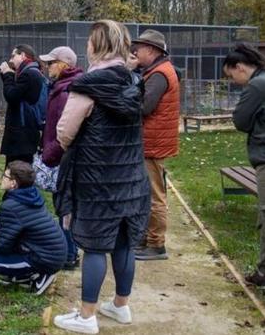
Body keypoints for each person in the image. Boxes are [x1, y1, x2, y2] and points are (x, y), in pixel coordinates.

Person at [53, 20, 150, 334]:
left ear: (96, 45)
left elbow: (65, 132)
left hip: (97, 177)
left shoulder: (88, 85)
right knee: (123, 242)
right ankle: (121, 306)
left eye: (90, 41)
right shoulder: (135, 81)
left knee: (95, 246)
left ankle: (86, 317)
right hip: (132, 177)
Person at [0, 160, 67, 295]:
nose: (2, 178)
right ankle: (23, 275)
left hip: (46, 260)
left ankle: (42, 274)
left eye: (5, 176)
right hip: (56, 252)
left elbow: (2, 247)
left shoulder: (10, 206)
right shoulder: (31, 196)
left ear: (13, 183)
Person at [130, 30, 180, 261]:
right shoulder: (155, 71)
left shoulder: (159, 74)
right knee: (146, 193)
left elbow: (144, 107)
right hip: (151, 140)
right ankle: (145, 238)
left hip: (153, 142)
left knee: (154, 195)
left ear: (151, 50)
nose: (134, 52)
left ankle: (156, 244)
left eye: (138, 48)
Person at [224, 43, 265, 288]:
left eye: (232, 76)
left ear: (240, 67)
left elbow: (240, 120)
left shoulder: (257, 85)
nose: (234, 81)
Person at [38, 46, 84, 270]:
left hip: (65, 157)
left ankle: (70, 253)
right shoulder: (59, 87)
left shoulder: (67, 91)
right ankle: (68, 251)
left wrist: (52, 151)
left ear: (64, 64)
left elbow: (68, 129)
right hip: (58, 154)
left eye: (51, 63)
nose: (47, 67)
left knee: (65, 205)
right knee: (61, 203)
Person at [0, 44, 46, 165]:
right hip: (25, 132)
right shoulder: (33, 72)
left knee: (17, 173)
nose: (10, 60)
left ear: (23, 55)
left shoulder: (28, 74)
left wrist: (8, 74)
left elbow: (12, 96)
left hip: (21, 135)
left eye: (13, 56)